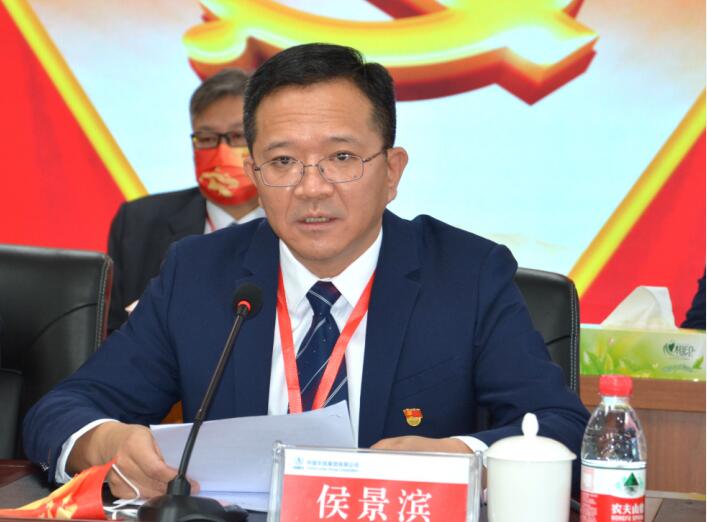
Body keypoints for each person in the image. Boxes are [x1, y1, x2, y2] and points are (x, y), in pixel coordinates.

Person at [23, 43, 589, 499]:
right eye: (284, 161)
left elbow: (562, 425)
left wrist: (462, 458)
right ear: (256, 174)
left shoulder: (466, 274)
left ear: (392, 172)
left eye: (341, 158)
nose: (311, 187)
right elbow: (60, 412)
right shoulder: (200, 272)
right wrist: (103, 443)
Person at [107, 68, 264, 332]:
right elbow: (107, 332)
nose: (221, 151)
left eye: (238, 136)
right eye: (207, 138)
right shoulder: (139, 223)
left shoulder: (303, 222)